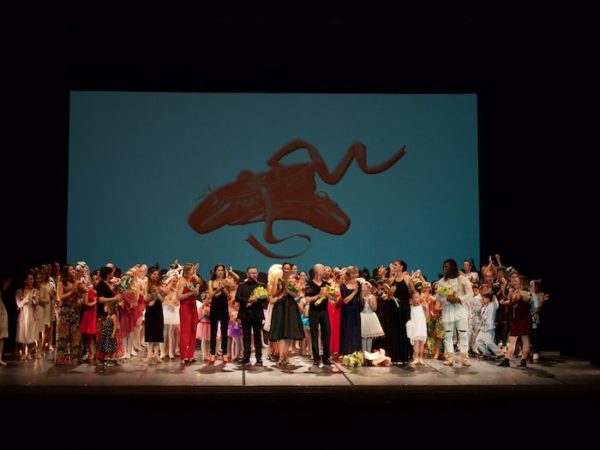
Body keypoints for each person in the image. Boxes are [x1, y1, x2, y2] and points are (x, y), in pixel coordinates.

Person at [436, 259, 474, 367]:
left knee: (463, 334)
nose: (444, 268)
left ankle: (465, 357)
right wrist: (446, 298)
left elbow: (470, 293)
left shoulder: (462, 279)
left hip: (460, 310)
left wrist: (459, 299)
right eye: (444, 266)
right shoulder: (442, 281)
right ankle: (450, 357)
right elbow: (438, 296)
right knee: (448, 335)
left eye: (446, 266)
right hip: (448, 311)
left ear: (453, 267)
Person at [268, 262, 305, 365]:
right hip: (280, 306)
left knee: (288, 332)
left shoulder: (294, 281)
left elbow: (296, 294)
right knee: (280, 332)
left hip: (290, 307)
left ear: (291, 270)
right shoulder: (278, 280)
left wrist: (287, 289)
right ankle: (281, 356)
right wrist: (280, 289)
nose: (286, 270)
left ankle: (285, 356)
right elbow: (273, 294)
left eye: (288, 268)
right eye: (284, 268)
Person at [497, 273, 532, 368]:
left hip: (524, 317)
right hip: (517, 318)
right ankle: (507, 360)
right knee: (513, 339)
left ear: (521, 282)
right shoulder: (515, 291)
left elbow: (529, 299)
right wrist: (504, 302)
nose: (514, 282)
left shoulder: (525, 291)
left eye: (516, 281)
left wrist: (521, 295)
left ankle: (521, 360)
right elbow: (513, 302)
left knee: (524, 338)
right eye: (513, 281)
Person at [235, 266, 268, 365]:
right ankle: (246, 357)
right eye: (252, 273)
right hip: (245, 314)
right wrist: (248, 300)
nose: (255, 274)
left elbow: (264, 299)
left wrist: (256, 300)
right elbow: (237, 297)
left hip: (257, 314)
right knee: (246, 337)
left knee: (257, 337)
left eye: (256, 273)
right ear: (247, 274)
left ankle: (259, 358)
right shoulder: (242, 285)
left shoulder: (261, 285)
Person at [304, 263, 334, 367]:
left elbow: (333, 299)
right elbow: (307, 299)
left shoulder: (326, 284)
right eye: (323, 269)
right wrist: (318, 296)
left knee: (327, 334)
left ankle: (326, 357)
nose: (325, 271)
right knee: (314, 335)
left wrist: (331, 295)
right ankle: (316, 358)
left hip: (324, 312)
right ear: (318, 271)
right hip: (314, 312)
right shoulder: (309, 284)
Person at [206, 264, 231, 363]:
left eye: (222, 270)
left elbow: (229, 296)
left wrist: (223, 286)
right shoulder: (211, 282)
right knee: (213, 332)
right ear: (215, 272)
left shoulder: (227, 281)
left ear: (224, 272)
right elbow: (210, 295)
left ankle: (224, 354)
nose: (220, 272)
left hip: (224, 308)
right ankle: (212, 354)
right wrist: (219, 288)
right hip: (214, 308)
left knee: (224, 332)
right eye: (218, 270)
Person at [177, 263, 201, 364]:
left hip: (193, 306)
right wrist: (190, 293)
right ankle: (184, 356)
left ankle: (191, 355)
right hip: (185, 307)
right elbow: (178, 297)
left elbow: (197, 293)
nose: (193, 271)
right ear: (187, 270)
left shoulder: (193, 280)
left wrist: (195, 291)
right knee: (185, 331)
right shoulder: (182, 281)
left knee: (193, 330)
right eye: (192, 269)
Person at [359, 282, 384, 353]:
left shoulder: (372, 297)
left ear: (369, 288)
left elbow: (375, 308)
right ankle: (364, 353)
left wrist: (370, 303)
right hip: (363, 316)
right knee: (363, 337)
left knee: (370, 336)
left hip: (370, 316)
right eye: (362, 287)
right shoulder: (360, 296)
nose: (363, 289)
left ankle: (369, 352)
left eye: (365, 288)